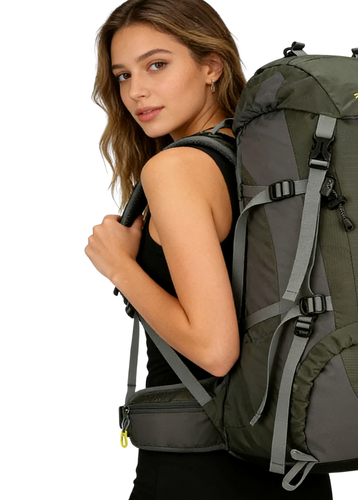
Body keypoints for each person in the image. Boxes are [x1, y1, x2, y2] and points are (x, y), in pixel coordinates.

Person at [86, 1, 333, 498]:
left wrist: (120, 267)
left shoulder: (175, 169)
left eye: (157, 65)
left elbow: (216, 351)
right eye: (123, 75)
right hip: (295, 463)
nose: (136, 91)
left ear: (211, 66)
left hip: (200, 467)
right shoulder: (273, 162)